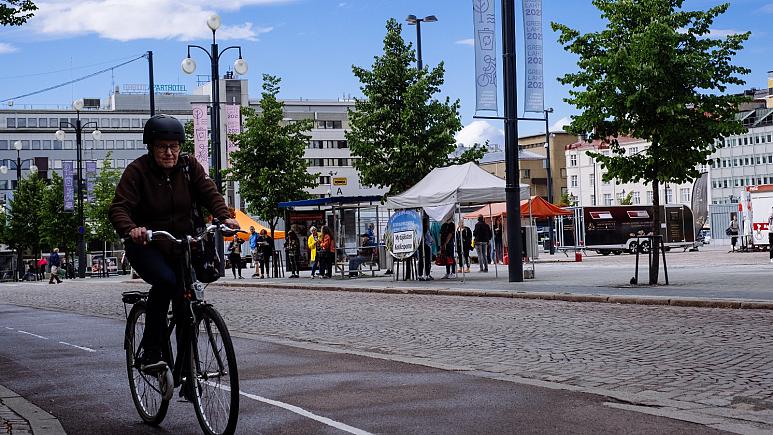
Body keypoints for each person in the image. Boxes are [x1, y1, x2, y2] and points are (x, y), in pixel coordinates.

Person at [108, 114, 237, 374]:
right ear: (151, 147)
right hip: (148, 247)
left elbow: (209, 192)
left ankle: (187, 375)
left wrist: (224, 216)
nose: (169, 152)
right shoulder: (138, 171)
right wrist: (132, 229)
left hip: (182, 246)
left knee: (185, 305)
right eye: (162, 147)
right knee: (167, 282)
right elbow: (119, 208)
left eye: (174, 147)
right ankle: (151, 351)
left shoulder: (190, 167)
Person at [417, 215, 434, 281]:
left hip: (420, 246)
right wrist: (432, 242)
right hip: (426, 246)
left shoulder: (419, 230)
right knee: (427, 261)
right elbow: (430, 239)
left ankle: (420, 275)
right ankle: (427, 275)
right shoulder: (426, 230)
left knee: (421, 261)